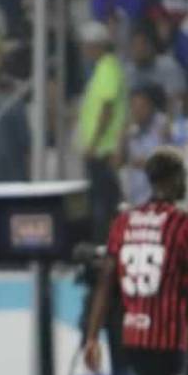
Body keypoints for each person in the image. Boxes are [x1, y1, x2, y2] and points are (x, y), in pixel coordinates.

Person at [82, 148, 188, 375]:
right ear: (172, 179)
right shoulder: (181, 225)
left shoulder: (124, 222)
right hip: (167, 335)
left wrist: (92, 336)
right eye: (183, 176)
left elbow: (106, 283)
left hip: (132, 331)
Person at [76, 20, 128, 242]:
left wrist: (93, 144)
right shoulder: (103, 69)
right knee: (105, 200)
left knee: (103, 204)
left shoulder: (107, 68)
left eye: (86, 46)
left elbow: (106, 110)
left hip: (103, 149)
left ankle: (103, 245)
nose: (83, 51)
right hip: (101, 148)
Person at [120, 84, 173, 206]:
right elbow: (117, 163)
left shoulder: (162, 124)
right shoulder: (129, 128)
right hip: (136, 197)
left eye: (141, 106)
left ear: (151, 106)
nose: (137, 111)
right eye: (133, 106)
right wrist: (121, 137)